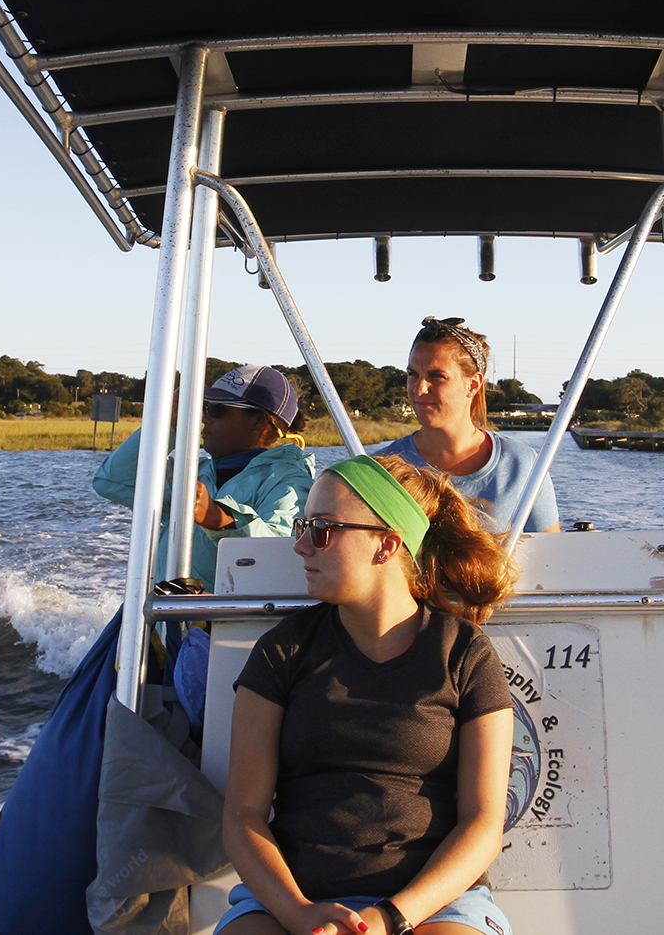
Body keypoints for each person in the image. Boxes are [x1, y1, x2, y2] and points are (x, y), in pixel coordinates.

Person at [220, 454, 517, 935]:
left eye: (320, 529)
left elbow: (483, 823)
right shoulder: (282, 650)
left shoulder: (465, 654)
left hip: (433, 903)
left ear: (386, 544)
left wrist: (391, 917)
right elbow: (242, 814)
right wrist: (298, 913)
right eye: (301, 526)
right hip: (291, 898)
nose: (299, 545)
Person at [93, 364, 317, 575]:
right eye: (205, 408)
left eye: (217, 409)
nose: (205, 417)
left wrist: (220, 519)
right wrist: (167, 424)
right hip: (168, 611)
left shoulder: (289, 483)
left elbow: (280, 552)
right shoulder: (195, 472)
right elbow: (114, 480)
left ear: (259, 421)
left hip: (221, 614)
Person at [377, 317, 558, 535]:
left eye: (437, 376)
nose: (419, 389)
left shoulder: (524, 466)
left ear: (472, 384)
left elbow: (551, 558)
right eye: (412, 374)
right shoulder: (381, 468)